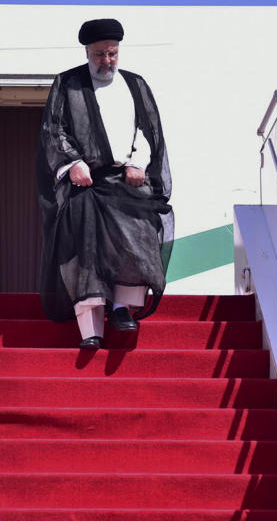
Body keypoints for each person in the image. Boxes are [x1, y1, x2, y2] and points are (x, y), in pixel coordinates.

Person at [36, 18, 173, 349]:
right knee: (83, 246)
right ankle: (91, 330)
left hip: (127, 180)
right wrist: (73, 163)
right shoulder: (66, 84)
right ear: (87, 51)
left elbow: (148, 129)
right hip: (83, 182)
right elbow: (54, 130)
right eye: (99, 54)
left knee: (136, 233)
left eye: (111, 54)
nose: (106, 61)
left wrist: (138, 162)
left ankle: (122, 307)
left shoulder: (135, 84)